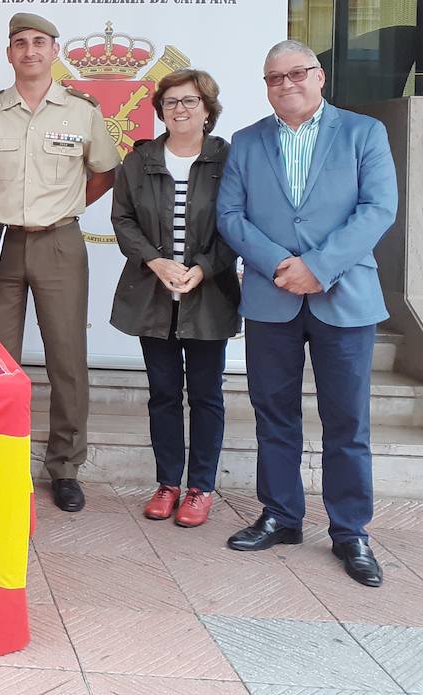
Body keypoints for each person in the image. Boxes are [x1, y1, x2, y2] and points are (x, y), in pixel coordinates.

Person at [217, 39, 397, 587]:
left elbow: (378, 209)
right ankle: (281, 515)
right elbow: (230, 214)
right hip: (273, 296)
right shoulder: (247, 142)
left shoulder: (364, 133)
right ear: (266, 86)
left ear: (320, 77)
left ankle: (350, 531)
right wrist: (279, 264)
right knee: (274, 414)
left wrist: (319, 267)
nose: (287, 84)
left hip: (344, 295)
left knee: (347, 420)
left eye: (297, 73)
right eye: (275, 77)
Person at [0, 12, 118, 513]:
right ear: (9, 54)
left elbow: (104, 173)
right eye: (20, 43)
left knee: (66, 356)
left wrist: (63, 209)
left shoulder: (82, 111)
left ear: (54, 51)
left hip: (58, 244)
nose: (29, 51)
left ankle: (65, 467)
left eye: (39, 42)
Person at [110, 68, 240, 528]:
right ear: (160, 110)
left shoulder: (230, 159)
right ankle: (167, 483)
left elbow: (239, 223)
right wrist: (156, 262)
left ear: (207, 109)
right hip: (154, 293)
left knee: (206, 395)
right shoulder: (140, 159)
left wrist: (203, 268)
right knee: (163, 394)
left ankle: (200, 488)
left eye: (189, 101)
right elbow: (123, 219)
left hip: (210, 294)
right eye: (170, 103)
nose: (180, 109)